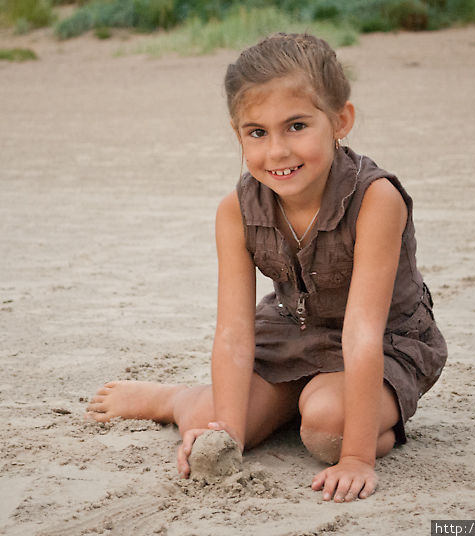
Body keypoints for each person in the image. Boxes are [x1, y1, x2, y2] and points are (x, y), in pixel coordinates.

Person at [86, 33, 447, 503]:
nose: (277, 151)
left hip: (382, 341)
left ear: (341, 121)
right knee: (211, 420)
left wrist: (357, 457)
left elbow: (362, 332)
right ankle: (173, 398)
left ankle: (320, 409)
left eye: (296, 126)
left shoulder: (376, 200)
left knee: (326, 432)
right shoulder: (235, 211)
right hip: (290, 332)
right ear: (238, 133)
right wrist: (228, 434)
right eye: (257, 132)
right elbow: (234, 333)